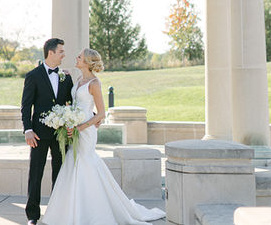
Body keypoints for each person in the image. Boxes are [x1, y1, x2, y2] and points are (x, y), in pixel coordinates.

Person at [42, 48, 166, 225]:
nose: (76, 58)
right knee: (73, 163)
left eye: (79, 57)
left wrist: (80, 127)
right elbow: (76, 103)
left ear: (86, 62)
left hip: (86, 130)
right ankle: (72, 211)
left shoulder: (94, 83)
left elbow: (101, 114)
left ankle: (93, 212)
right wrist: (69, 122)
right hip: (75, 127)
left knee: (85, 162)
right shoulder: (78, 80)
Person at [21, 38, 74, 225]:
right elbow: (26, 106)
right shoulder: (33, 76)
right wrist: (27, 129)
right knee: (35, 174)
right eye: (61, 51)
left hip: (60, 136)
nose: (63, 55)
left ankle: (56, 213)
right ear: (50, 53)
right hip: (37, 134)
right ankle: (32, 216)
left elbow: (72, 103)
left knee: (60, 174)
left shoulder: (66, 77)